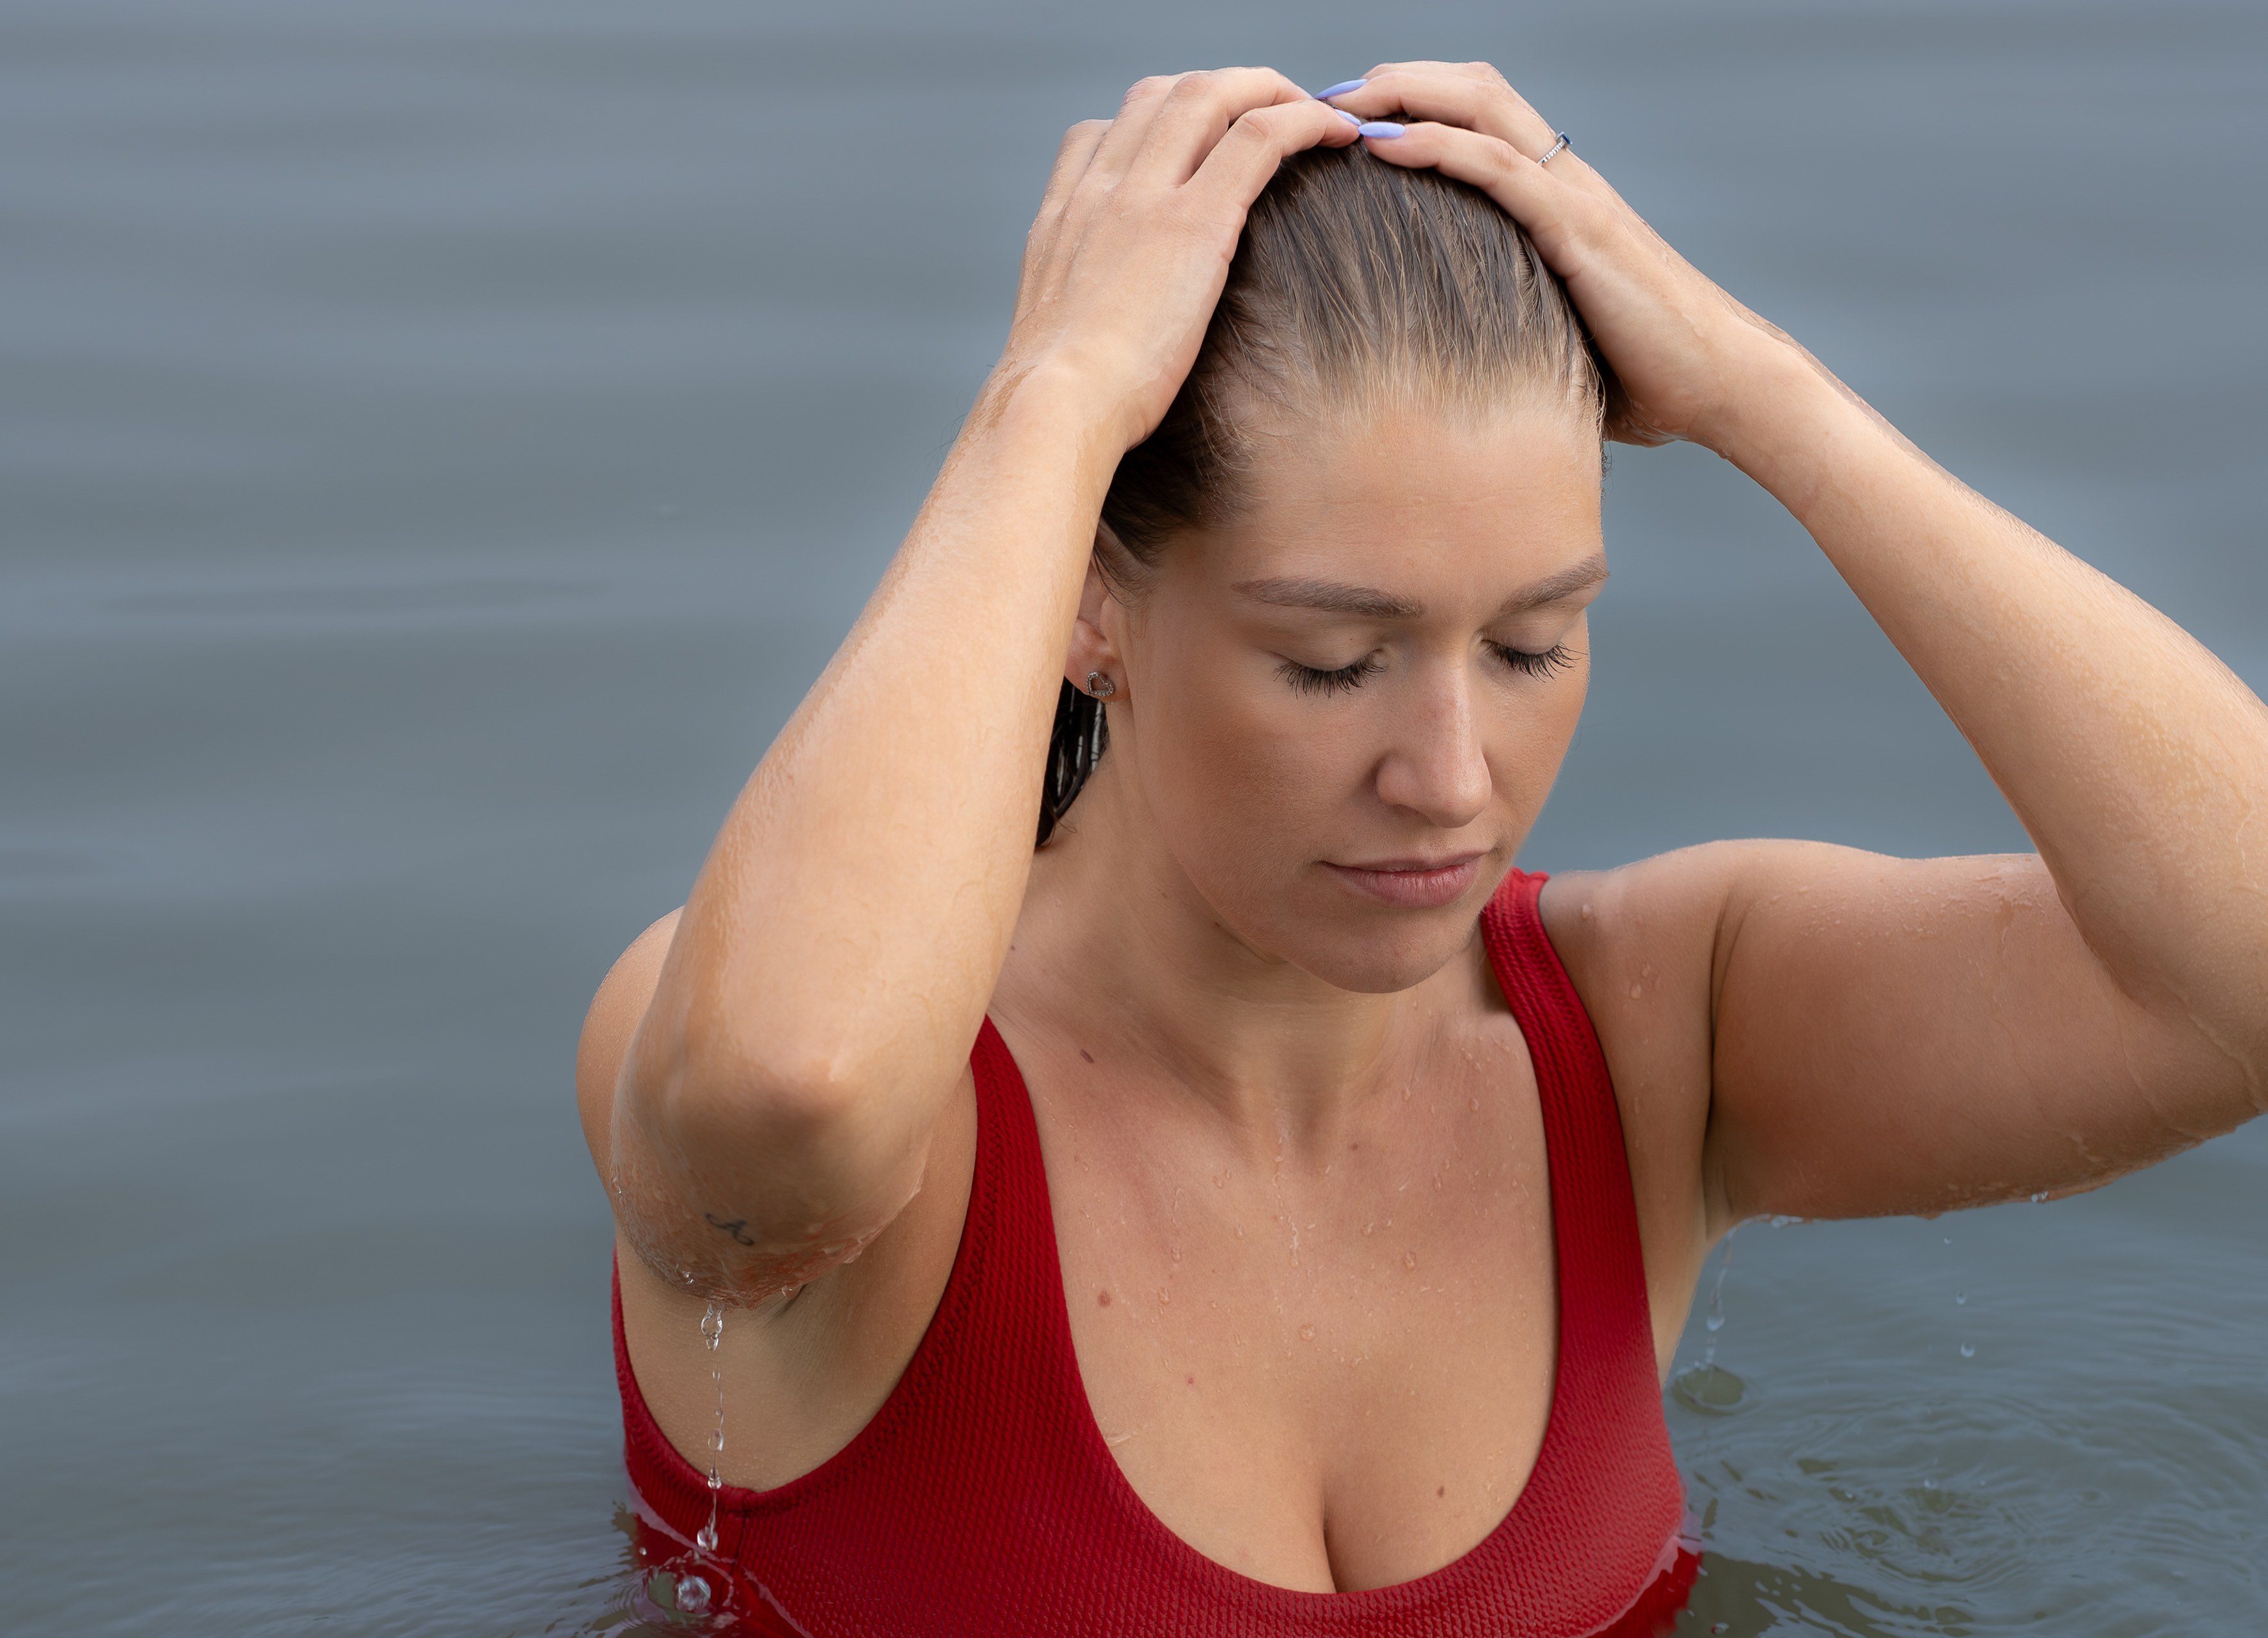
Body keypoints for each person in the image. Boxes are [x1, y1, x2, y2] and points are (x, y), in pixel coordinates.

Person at [575, 61, 2268, 1637]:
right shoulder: (854, 1098)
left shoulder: (1652, 1033)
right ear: (1093, 600)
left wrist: (1766, 396)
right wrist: (1055, 402)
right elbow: (789, 1089)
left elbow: (2242, 969)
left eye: (1532, 645)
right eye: (1331, 662)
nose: (1452, 780)